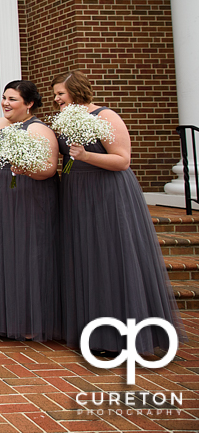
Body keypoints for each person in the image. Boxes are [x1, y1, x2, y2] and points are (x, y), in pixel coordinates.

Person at [52, 70, 179, 355]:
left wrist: (85, 156)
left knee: (111, 257)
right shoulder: (65, 120)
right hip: (77, 193)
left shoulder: (106, 116)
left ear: (76, 90)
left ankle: (122, 337)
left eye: (60, 93)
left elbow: (122, 160)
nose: (56, 98)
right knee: (88, 259)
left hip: (107, 192)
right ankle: (92, 331)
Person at [0, 80, 61, 341]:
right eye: (4, 98)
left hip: (20, 200)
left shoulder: (39, 130)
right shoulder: (0, 122)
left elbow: (49, 168)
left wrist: (25, 169)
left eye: (12, 99)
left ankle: (26, 320)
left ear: (29, 103)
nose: (5, 103)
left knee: (19, 255)